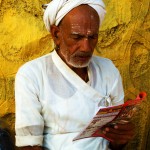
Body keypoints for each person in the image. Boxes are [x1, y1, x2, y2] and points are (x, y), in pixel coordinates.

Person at [15, 0, 135, 150]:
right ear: (56, 34)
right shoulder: (32, 74)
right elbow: (29, 144)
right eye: (77, 37)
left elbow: (116, 144)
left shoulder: (108, 70)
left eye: (92, 37)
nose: (86, 47)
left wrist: (121, 138)